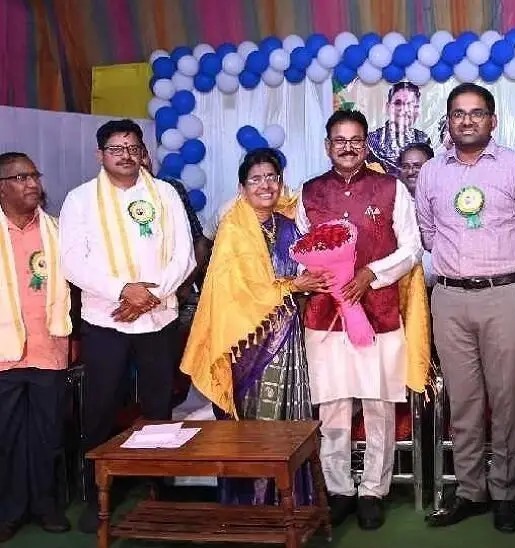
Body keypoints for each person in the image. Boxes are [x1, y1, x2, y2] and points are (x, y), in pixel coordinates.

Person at [416, 83, 515, 533]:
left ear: (493, 120)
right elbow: (428, 235)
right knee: (463, 400)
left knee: (506, 397)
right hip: (449, 298)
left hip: (503, 294)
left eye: (476, 113)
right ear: (448, 121)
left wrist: (498, 271)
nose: (467, 120)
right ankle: (471, 490)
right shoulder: (431, 172)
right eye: (458, 113)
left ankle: (505, 492)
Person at [59, 119, 195, 533]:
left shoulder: (165, 193)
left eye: (133, 147)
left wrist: (150, 297)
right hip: (106, 319)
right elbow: (72, 262)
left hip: (158, 317)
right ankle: (98, 493)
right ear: (100, 154)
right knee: (100, 409)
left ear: (142, 153)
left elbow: (184, 255)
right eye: (116, 148)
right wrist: (123, 291)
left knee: (158, 407)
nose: (125, 155)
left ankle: (158, 488)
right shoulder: (80, 199)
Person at [296, 109, 424, 530]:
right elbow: (301, 250)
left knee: (378, 404)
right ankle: (338, 489)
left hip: (379, 312)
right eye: (339, 140)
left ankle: (372, 490)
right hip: (325, 314)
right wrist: (313, 276)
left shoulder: (390, 188)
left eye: (355, 140)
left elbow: (412, 248)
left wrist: (371, 273)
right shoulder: (310, 192)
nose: (347, 147)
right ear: (327, 145)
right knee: (332, 405)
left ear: (366, 144)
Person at [181, 148, 329, 504]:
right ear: (242, 187)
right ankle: (249, 507)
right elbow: (237, 290)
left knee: (288, 422)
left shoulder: (289, 225)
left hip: (287, 335)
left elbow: (302, 271)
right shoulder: (233, 228)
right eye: (256, 179)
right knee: (251, 425)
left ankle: (288, 505)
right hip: (246, 342)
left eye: (272, 177)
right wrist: (294, 285)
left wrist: (308, 280)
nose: (266, 185)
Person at [0, 153, 72, 541]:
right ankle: (9, 512)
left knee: (48, 435)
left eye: (34, 176)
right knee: (6, 436)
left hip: (49, 347)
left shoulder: (57, 230)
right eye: (20, 177)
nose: (32, 184)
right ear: (1, 188)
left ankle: (46, 506)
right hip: (4, 353)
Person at [141, 147, 210, 295]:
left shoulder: (171, 188)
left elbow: (197, 239)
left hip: (178, 273)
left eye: (143, 156)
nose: (141, 163)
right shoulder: (115, 197)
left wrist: (186, 285)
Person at [367, 82, 431, 174]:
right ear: (387, 107)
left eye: (410, 104)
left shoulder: (423, 140)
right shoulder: (372, 141)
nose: (404, 109)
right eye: (398, 103)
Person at [398, 143, 437, 288]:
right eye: (405, 166)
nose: (410, 171)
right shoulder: (390, 202)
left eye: (417, 166)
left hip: (440, 282)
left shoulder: (445, 200)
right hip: (402, 282)